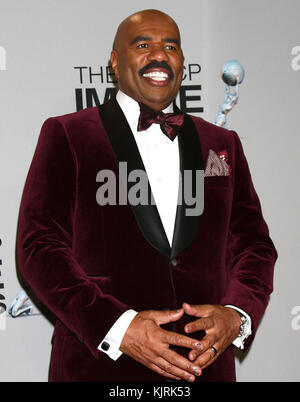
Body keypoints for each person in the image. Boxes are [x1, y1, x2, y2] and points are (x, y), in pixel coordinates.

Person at [17, 9, 277, 382]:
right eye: (143, 44)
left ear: (183, 63)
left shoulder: (222, 145)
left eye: (171, 46)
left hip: (202, 369)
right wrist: (120, 327)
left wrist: (236, 315)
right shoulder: (68, 135)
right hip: (101, 368)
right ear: (115, 61)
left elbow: (255, 247)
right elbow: (38, 247)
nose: (159, 55)